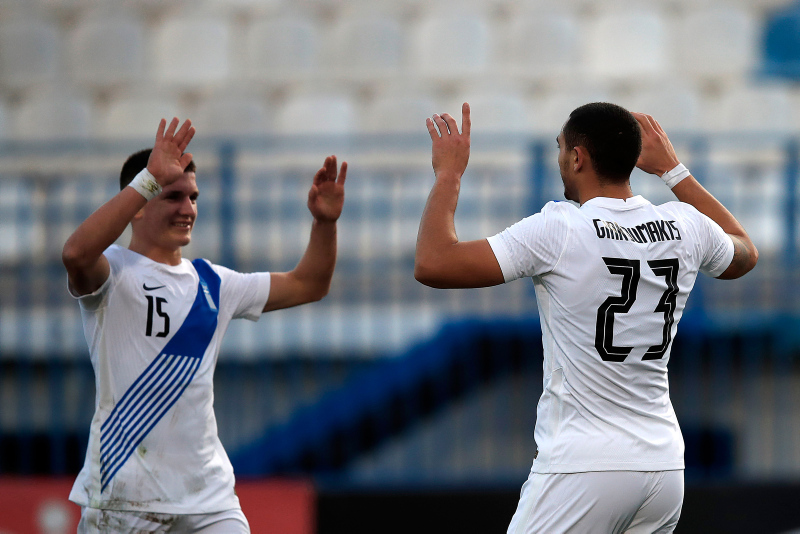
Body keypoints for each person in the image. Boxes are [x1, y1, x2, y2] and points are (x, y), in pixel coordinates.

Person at [415, 102, 757, 533]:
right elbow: (745, 251)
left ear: (577, 158)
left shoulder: (560, 228)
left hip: (584, 467)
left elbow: (432, 263)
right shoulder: (685, 225)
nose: (559, 158)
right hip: (663, 466)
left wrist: (448, 175)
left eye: (561, 148)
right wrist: (673, 170)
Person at [62, 117, 347, 532]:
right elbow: (74, 254)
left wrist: (325, 223)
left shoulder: (215, 283)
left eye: (194, 198)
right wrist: (148, 179)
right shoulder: (113, 273)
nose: (188, 209)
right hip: (124, 498)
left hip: (208, 499)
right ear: (139, 203)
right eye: (173, 196)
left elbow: (310, 284)